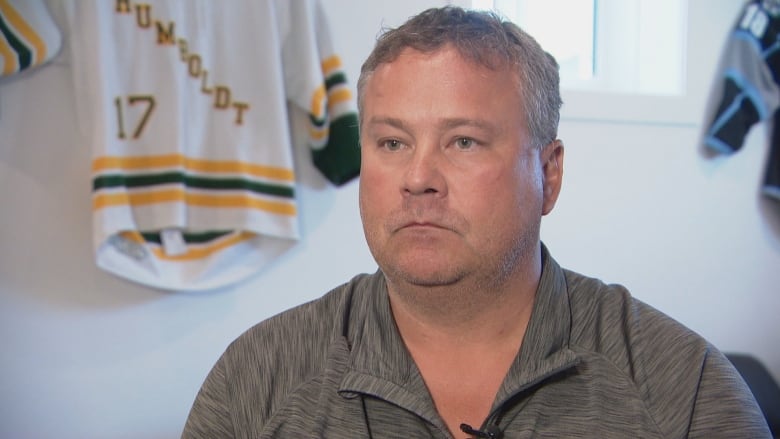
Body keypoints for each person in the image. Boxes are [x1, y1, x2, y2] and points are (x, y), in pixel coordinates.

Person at [182, 6, 771, 438]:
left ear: (550, 174)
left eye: (463, 141)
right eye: (391, 142)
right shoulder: (254, 385)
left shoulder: (686, 396)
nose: (418, 177)